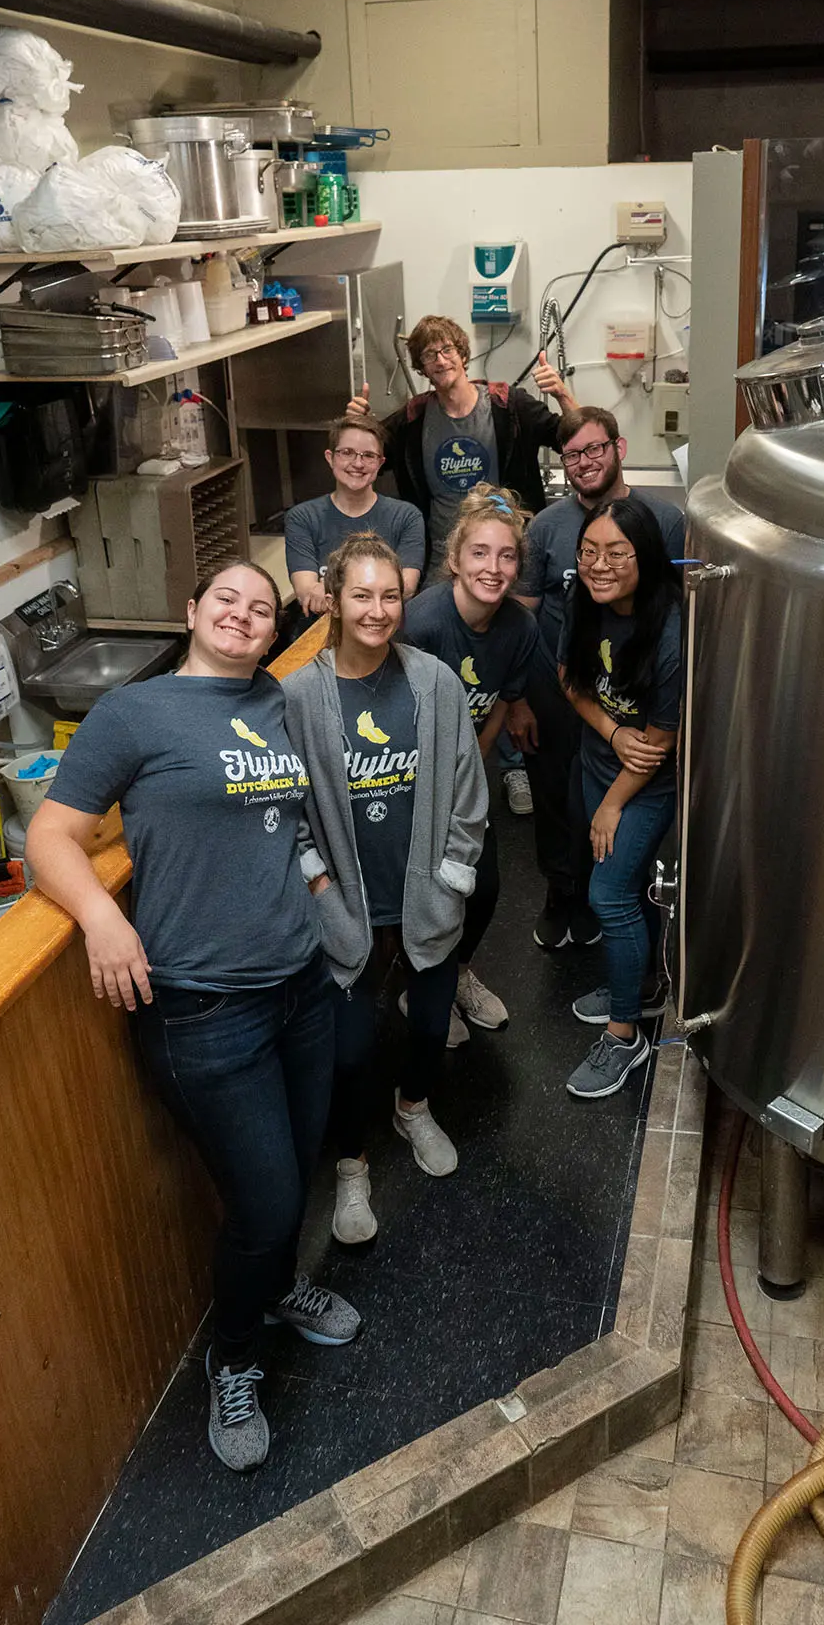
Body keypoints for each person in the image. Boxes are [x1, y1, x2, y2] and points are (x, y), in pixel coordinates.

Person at [25, 563, 358, 1475]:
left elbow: (284, 826)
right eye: (228, 602)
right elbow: (49, 835)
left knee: (297, 1168)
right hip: (204, 1011)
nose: (245, 617)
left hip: (298, 985)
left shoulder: (276, 707)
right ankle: (234, 1359)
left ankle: (285, 1287)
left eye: (261, 608)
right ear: (192, 614)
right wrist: (101, 918)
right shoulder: (136, 714)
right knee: (268, 1200)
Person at [283, 531, 488, 1248]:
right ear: (333, 602)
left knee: (431, 1026)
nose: (377, 610)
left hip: (424, 896)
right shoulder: (299, 699)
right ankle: (351, 1163)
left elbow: (468, 793)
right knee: (349, 1052)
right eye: (361, 595)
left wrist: (453, 878)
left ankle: (414, 1106)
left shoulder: (434, 683)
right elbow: (287, 808)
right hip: (344, 905)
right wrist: (315, 879)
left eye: (390, 595)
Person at [345, 313, 575, 820]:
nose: (441, 360)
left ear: (463, 354)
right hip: (442, 557)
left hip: (500, 551)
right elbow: (365, 449)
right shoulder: (412, 417)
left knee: (509, 654)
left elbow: (569, 435)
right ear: (422, 367)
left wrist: (563, 395)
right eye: (429, 355)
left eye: (448, 349)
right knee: (433, 659)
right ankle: (430, 767)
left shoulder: (504, 405)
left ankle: (511, 766)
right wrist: (356, 419)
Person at [516, 405, 684, 955]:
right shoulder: (545, 526)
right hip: (564, 684)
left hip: (633, 697)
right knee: (557, 800)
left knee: (613, 815)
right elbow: (521, 613)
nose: (584, 462)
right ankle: (561, 894)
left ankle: (604, 904)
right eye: (571, 455)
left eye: (594, 449)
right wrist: (518, 695)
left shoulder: (665, 521)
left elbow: (678, 616)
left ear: (619, 448)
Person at [401, 483, 538, 1044]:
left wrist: (471, 773)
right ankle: (420, 987)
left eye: (507, 556)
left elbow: (502, 702)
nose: (494, 567)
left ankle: (456, 975)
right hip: (404, 777)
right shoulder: (422, 624)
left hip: (461, 777)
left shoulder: (519, 628)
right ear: (454, 559)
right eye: (479, 553)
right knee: (420, 891)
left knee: (484, 886)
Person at [556, 501, 681, 1100]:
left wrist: (612, 804)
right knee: (620, 890)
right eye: (589, 552)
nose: (598, 566)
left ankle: (625, 1034)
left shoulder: (670, 630)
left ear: (645, 557)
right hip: (597, 763)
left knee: (609, 895)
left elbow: (657, 744)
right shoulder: (584, 601)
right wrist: (609, 731)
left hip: (645, 785)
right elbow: (570, 680)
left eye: (616, 554)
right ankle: (643, 989)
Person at [284, 415, 425, 621]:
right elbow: (307, 591)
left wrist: (331, 588)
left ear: (380, 463)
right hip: (321, 634)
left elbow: (407, 586)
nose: (357, 463)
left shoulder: (406, 517)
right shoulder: (302, 518)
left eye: (368, 455)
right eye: (347, 453)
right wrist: (379, 592)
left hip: (383, 627)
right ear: (330, 457)